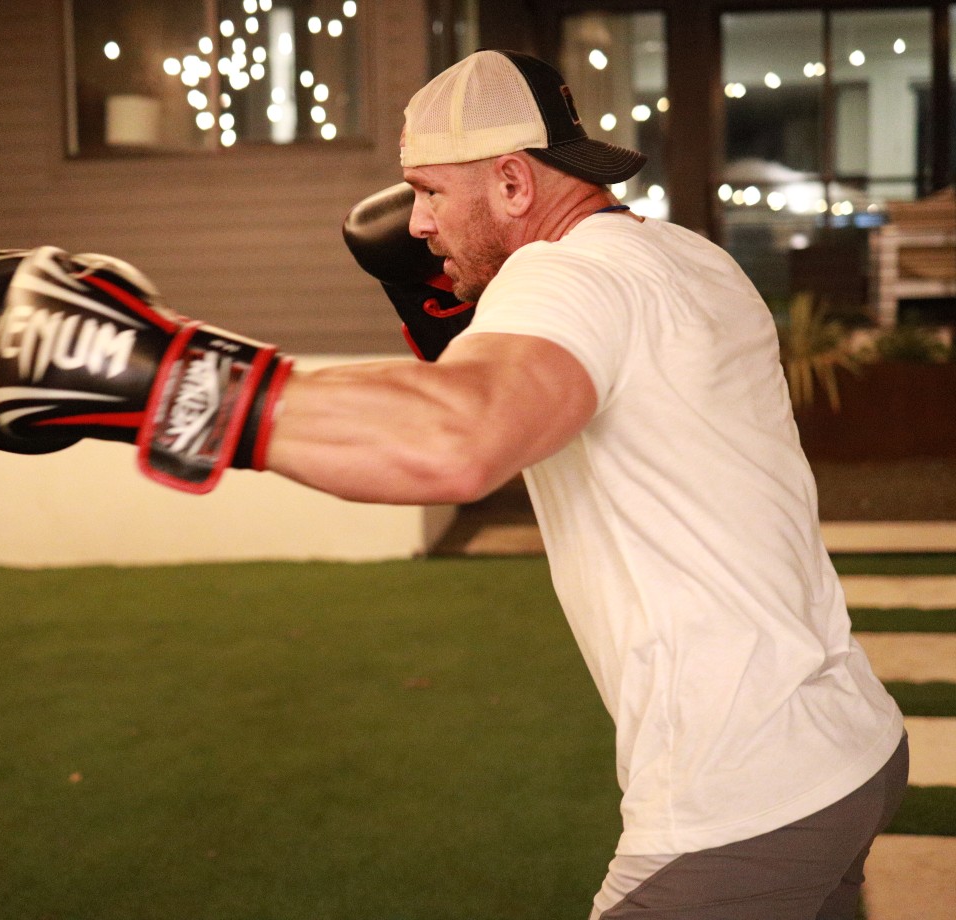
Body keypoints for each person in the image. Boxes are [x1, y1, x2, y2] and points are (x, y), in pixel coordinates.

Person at [262, 50, 908, 919]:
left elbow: (453, 445)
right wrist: (465, 309)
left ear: (513, 184)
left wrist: (174, 385)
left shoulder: (566, 274)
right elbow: (559, 384)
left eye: (429, 191)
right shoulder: (690, 258)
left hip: (742, 794)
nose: (414, 224)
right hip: (849, 746)